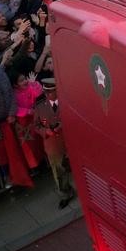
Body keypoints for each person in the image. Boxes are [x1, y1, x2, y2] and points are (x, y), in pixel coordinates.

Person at [33, 77, 75, 209]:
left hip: (69, 139)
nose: (48, 95)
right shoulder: (40, 107)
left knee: (76, 165)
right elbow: (36, 125)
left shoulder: (67, 101)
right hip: (53, 143)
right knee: (58, 170)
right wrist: (46, 131)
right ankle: (65, 193)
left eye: (50, 92)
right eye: (46, 92)